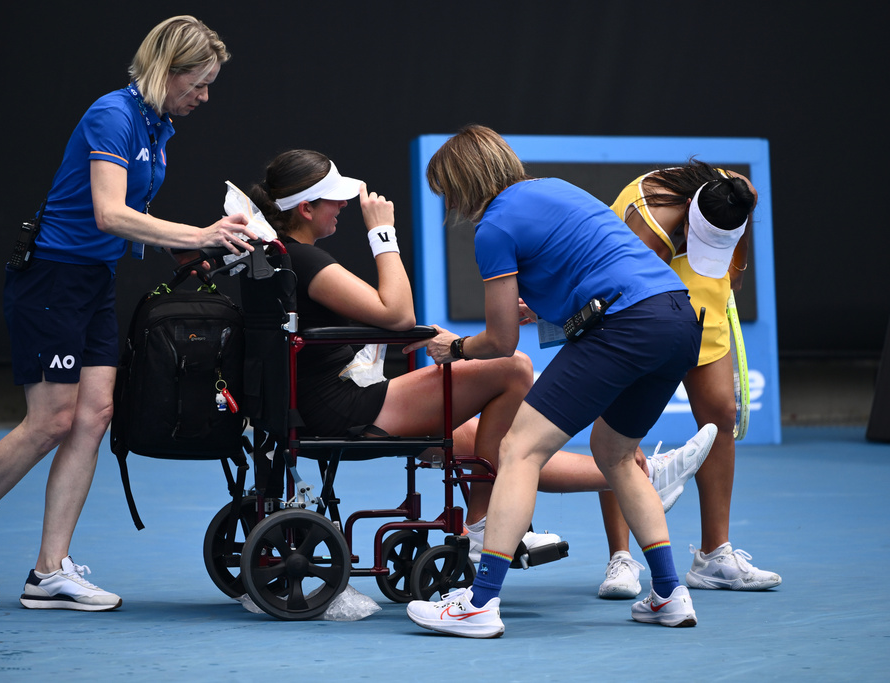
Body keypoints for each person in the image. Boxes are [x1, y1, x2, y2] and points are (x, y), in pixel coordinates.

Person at [0, 16, 253, 611]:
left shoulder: (157, 125)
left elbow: (126, 221)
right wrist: (199, 234)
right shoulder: (113, 115)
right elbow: (107, 213)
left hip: (94, 279)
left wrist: (180, 245)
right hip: (52, 279)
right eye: (198, 84)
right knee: (50, 420)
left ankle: (50, 572)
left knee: (94, 415)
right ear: (166, 72)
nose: (204, 96)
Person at [247, 149, 712, 564]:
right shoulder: (305, 261)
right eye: (335, 200)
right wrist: (383, 234)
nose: (345, 207)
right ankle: (485, 525)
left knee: (480, 442)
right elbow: (398, 312)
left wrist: (435, 338)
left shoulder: (277, 256)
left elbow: (391, 321)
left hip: (320, 399)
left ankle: (643, 474)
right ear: (306, 209)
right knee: (512, 373)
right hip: (340, 404)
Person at [406, 124, 705, 638]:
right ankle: (669, 593)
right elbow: (597, 273)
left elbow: (499, 343)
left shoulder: (493, 228)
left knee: (519, 450)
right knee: (614, 453)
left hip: (627, 323)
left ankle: (480, 603)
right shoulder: (559, 188)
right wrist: (543, 307)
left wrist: (452, 348)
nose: (449, 204)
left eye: (448, 193)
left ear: (461, 185)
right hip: (678, 319)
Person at [596, 161, 781, 599]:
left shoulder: (736, 192)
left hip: (705, 305)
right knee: (621, 432)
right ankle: (620, 558)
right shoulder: (650, 223)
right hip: (641, 310)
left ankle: (714, 556)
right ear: (690, 218)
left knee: (720, 415)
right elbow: (617, 290)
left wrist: (735, 264)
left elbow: (743, 216)